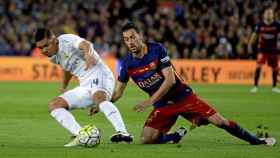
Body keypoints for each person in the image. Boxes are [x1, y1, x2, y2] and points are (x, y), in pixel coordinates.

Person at [112, 22, 276, 145]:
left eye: (133, 37)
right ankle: (175, 136)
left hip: (183, 96)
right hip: (163, 104)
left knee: (220, 122)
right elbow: (118, 91)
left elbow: (170, 80)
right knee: (146, 140)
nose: (130, 42)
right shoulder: (128, 64)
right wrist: (102, 103)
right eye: (126, 39)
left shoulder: (156, 49)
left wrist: (150, 100)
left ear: (140, 36)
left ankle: (257, 141)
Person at [33, 28, 133, 147]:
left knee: (99, 98)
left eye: (46, 45)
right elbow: (67, 68)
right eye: (40, 48)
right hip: (85, 84)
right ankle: (82, 135)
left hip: (99, 73)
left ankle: (123, 133)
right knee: (54, 105)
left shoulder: (66, 40)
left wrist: (88, 55)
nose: (44, 50)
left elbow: (85, 44)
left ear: (54, 39)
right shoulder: (53, 57)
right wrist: (63, 87)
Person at [248, 7, 280, 93]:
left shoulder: (277, 25)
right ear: (264, 15)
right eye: (267, 13)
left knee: (275, 68)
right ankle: (255, 86)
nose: (268, 15)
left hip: (273, 49)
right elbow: (254, 35)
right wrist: (250, 44)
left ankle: (274, 87)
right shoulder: (260, 25)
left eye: (270, 13)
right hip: (262, 49)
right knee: (258, 66)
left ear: (273, 15)